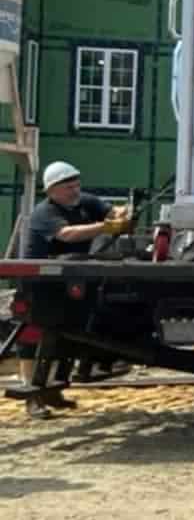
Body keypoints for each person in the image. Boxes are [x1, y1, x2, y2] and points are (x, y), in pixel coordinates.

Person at [16, 161, 130, 419]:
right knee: (33, 337)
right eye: (68, 187)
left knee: (64, 334)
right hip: (40, 283)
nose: (75, 190)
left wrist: (122, 213)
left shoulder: (84, 202)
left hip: (67, 278)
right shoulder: (44, 212)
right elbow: (67, 234)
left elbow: (111, 211)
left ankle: (52, 391)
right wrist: (106, 227)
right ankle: (32, 396)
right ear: (52, 190)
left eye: (76, 184)